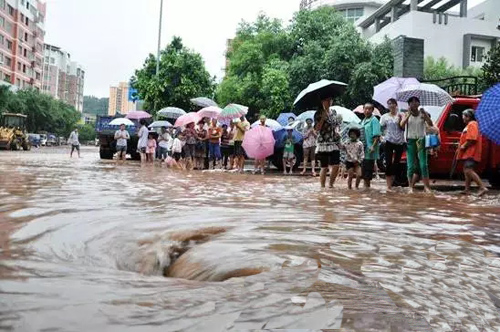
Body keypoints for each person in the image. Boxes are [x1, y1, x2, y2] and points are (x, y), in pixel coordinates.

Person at [400, 96, 433, 193]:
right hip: (410, 141)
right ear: (409, 104)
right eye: (412, 102)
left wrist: (425, 115)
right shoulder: (406, 114)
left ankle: (427, 187)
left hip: (421, 140)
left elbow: (430, 124)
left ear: (419, 103)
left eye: (416, 101)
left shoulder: (423, 114)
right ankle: (410, 186)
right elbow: (401, 125)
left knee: (423, 164)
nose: (414, 103)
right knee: (410, 166)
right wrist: (408, 115)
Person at [458, 109, 488, 196]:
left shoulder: (472, 124)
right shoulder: (470, 125)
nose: (462, 118)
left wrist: (463, 146)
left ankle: (482, 187)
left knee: (468, 170)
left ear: (468, 117)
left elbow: (472, 139)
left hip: (471, 152)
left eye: (463, 116)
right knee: (466, 170)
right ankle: (467, 189)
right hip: (469, 152)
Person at [314, 97, 341, 188]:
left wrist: (337, 131)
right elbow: (317, 129)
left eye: (331, 100)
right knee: (324, 166)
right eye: (327, 100)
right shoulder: (318, 113)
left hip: (334, 142)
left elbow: (337, 125)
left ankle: (331, 184)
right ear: (322, 101)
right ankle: (322, 187)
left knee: (336, 165)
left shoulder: (334, 112)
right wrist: (322, 118)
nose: (329, 102)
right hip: (323, 143)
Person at [380, 98, 405, 190]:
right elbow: (381, 128)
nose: (391, 105)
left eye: (392, 103)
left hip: (400, 141)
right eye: (389, 104)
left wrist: (400, 120)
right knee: (388, 162)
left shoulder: (401, 115)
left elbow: (403, 128)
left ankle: (393, 182)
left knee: (397, 163)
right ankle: (388, 185)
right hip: (388, 141)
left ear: (396, 105)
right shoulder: (384, 117)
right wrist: (381, 137)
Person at [360, 103, 381, 188]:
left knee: (367, 173)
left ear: (372, 110)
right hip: (363, 150)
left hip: (370, 150)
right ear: (363, 110)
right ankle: (366, 190)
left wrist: (373, 146)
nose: (367, 111)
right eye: (365, 109)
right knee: (364, 172)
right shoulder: (363, 121)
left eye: (369, 109)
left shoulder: (374, 120)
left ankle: (367, 190)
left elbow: (377, 135)